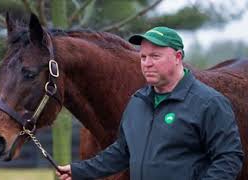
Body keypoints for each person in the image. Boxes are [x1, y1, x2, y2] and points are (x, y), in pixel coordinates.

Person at [56, 26, 244, 180]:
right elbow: (122, 152)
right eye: (143, 57)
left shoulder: (209, 102)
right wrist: (79, 171)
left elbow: (229, 159)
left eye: (155, 56)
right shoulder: (138, 101)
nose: (147, 63)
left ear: (178, 57)